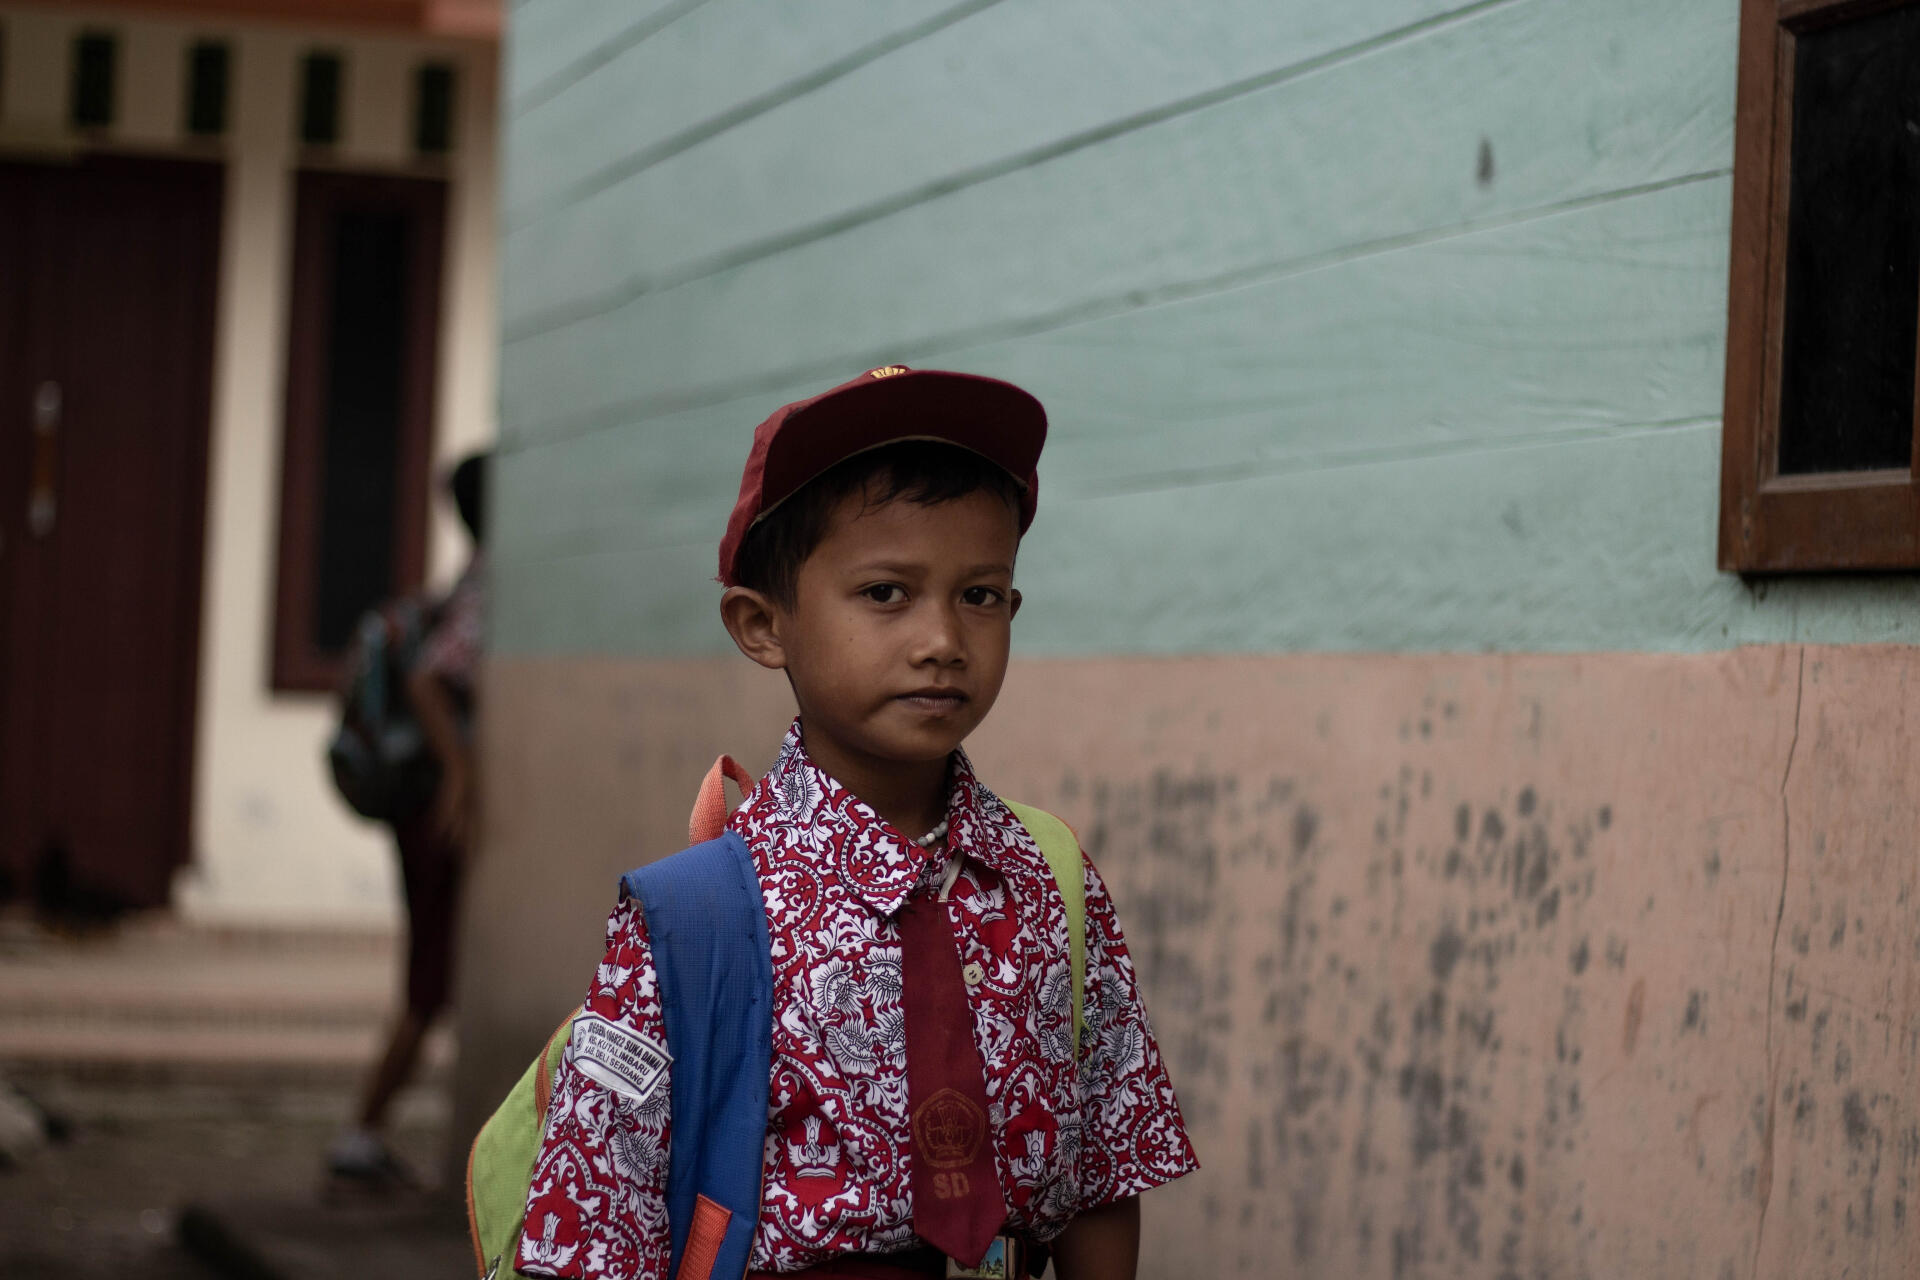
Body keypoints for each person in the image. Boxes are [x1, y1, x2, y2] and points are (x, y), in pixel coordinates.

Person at [515, 369, 1195, 1278]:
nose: (942, 640)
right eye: (885, 593)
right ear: (763, 626)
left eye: (980, 595)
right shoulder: (692, 922)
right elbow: (592, 1233)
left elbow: (1107, 1165)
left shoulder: (1049, 875)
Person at [329, 451, 489, 1185]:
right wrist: (459, 772)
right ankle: (360, 1135)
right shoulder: (489, 582)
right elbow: (430, 679)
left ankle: (365, 1134)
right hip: (431, 808)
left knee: (433, 977)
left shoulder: (472, 577)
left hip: (422, 803)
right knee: (429, 981)